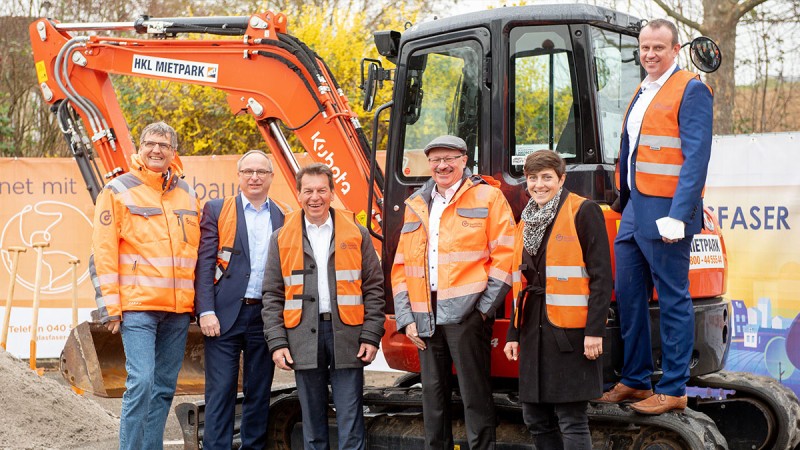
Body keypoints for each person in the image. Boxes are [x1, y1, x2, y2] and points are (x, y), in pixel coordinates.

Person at [596, 18, 714, 414]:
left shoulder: (691, 90)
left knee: (672, 298)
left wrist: (680, 215)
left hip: (667, 212)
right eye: (645, 47)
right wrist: (621, 200)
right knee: (629, 295)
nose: (649, 54)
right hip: (634, 207)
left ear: (675, 50)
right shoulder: (643, 89)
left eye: (658, 48)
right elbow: (634, 149)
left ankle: (674, 388)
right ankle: (634, 379)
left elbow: (696, 158)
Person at [391, 135, 515, 450]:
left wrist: (484, 310)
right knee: (432, 396)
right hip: (425, 314)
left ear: (463, 160)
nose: (442, 165)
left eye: (449, 158)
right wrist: (407, 318)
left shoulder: (487, 197)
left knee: (475, 394)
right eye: (436, 159)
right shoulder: (416, 204)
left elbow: (506, 256)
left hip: (468, 314)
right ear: (429, 163)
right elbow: (401, 267)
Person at [89, 121, 201, 450]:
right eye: (150, 143)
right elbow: (103, 253)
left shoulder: (188, 194)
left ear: (174, 152)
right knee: (142, 381)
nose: (156, 150)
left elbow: (194, 251)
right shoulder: (117, 191)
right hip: (138, 308)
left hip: (178, 311)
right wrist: (110, 307)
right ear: (139, 148)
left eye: (164, 145)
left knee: (165, 386)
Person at [261, 163, 385, 450]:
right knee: (312, 421)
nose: (314, 197)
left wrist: (371, 335)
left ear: (332, 193)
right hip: (302, 336)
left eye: (321, 190)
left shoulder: (357, 233)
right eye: (308, 191)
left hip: (348, 337)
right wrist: (278, 342)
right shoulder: (281, 238)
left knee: (351, 418)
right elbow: (272, 295)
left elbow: (374, 288)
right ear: (298, 193)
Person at [503, 151, 612, 449]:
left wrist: (594, 331)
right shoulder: (524, 223)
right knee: (535, 418)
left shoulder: (584, 211)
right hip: (532, 333)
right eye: (533, 178)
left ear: (561, 179)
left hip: (571, 336)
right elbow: (520, 285)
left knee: (571, 420)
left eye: (547, 177)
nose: (539, 184)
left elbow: (602, 278)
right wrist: (513, 333)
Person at [195, 150, 290, 449]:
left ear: (271, 177)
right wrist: (206, 310)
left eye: (261, 172)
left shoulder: (283, 216)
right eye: (248, 171)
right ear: (238, 176)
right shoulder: (217, 209)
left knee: (259, 392)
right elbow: (205, 263)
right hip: (223, 316)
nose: (254, 177)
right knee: (220, 392)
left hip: (265, 318)